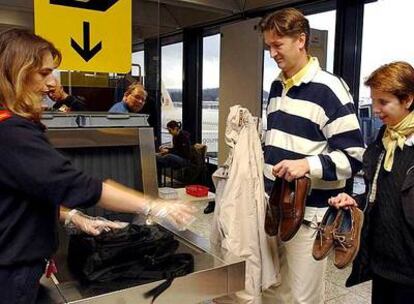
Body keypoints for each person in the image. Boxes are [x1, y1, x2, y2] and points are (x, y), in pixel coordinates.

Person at [0, 29, 195, 304]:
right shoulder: (12, 132)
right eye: (44, 73)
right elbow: (75, 185)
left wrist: (73, 217)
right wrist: (154, 205)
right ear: (17, 72)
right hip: (11, 275)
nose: (52, 83)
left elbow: (24, 195)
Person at [259, 8, 365, 303]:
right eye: (268, 46)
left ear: (301, 40)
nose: (272, 53)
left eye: (277, 45)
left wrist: (306, 164)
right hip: (276, 209)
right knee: (271, 288)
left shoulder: (330, 89)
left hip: (311, 217)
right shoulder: (277, 86)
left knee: (304, 299)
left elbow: (354, 157)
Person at [329, 61, 414, 304]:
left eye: (383, 102)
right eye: (374, 101)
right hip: (381, 262)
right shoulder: (383, 141)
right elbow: (375, 195)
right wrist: (353, 201)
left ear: (407, 99)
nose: (375, 110)